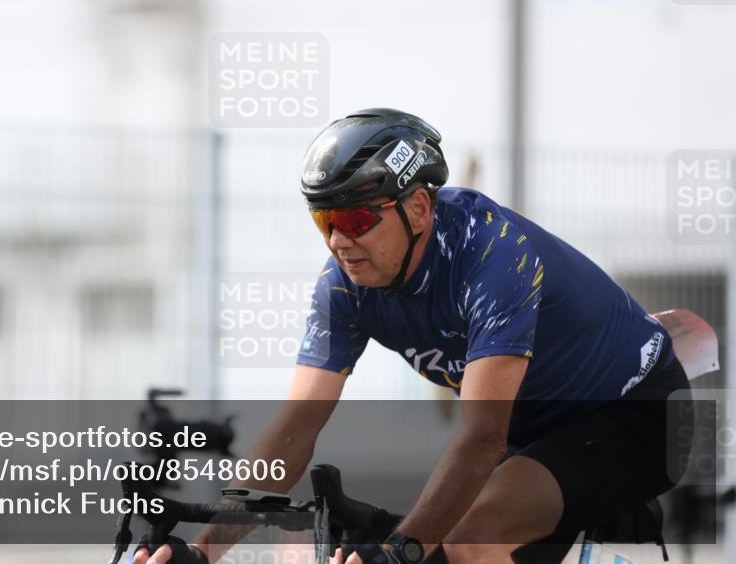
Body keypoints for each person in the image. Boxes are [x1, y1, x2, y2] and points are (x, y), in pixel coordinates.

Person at [135, 108, 691, 564]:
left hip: (635, 413)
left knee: (467, 539)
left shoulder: (493, 256)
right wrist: (204, 552)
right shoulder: (345, 287)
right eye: (324, 222)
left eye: (354, 221)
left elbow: (481, 438)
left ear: (418, 207)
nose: (338, 243)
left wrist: (403, 549)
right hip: (535, 433)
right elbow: (293, 431)